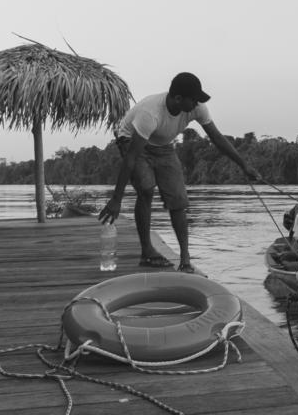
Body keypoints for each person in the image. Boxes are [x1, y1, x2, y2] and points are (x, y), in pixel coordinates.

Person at [98, 72, 261, 273]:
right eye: (193, 100)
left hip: (163, 145)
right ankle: (147, 251)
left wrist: (243, 165)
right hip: (132, 139)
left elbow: (217, 138)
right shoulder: (150, 113)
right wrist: (116, 199)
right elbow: (131, 157)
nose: (197, 104)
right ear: (177, 99)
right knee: (146, 188)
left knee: (178, 199)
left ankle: (185, 260)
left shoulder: (197, 108)